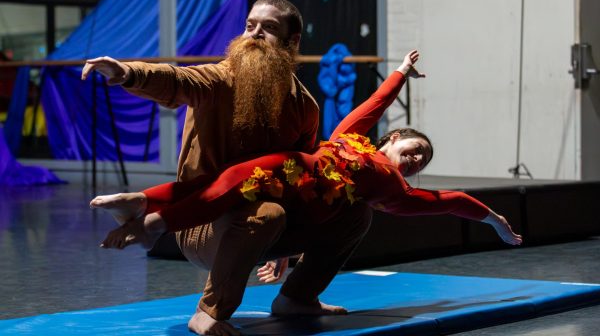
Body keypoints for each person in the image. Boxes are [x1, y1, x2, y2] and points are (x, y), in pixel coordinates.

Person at [92, 50, 522, 322]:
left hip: (300, 208)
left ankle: (152, 225)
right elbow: (373, 105)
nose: (414, 160)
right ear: (392, 139)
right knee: (226, 181)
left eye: (421, 161)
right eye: (412, 149)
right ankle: (144, 204)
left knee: (245, 190)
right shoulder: (352, 137)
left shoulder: (396, 194)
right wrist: (400, 73)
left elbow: (450, 201)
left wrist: (495, 219)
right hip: (294, 169)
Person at [82, 0, 375, 336]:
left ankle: (298, 297)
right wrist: (127, 73)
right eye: (250, 25)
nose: (254, 34)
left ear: (292, 42)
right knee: (266, 213)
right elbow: (179, 81)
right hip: (202, 223)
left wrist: (286, 242)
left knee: (355, 212)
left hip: (268, 223)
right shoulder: (220, 80)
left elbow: (304, 178)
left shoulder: (304, 105)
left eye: (269, 28)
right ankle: (209, 311)